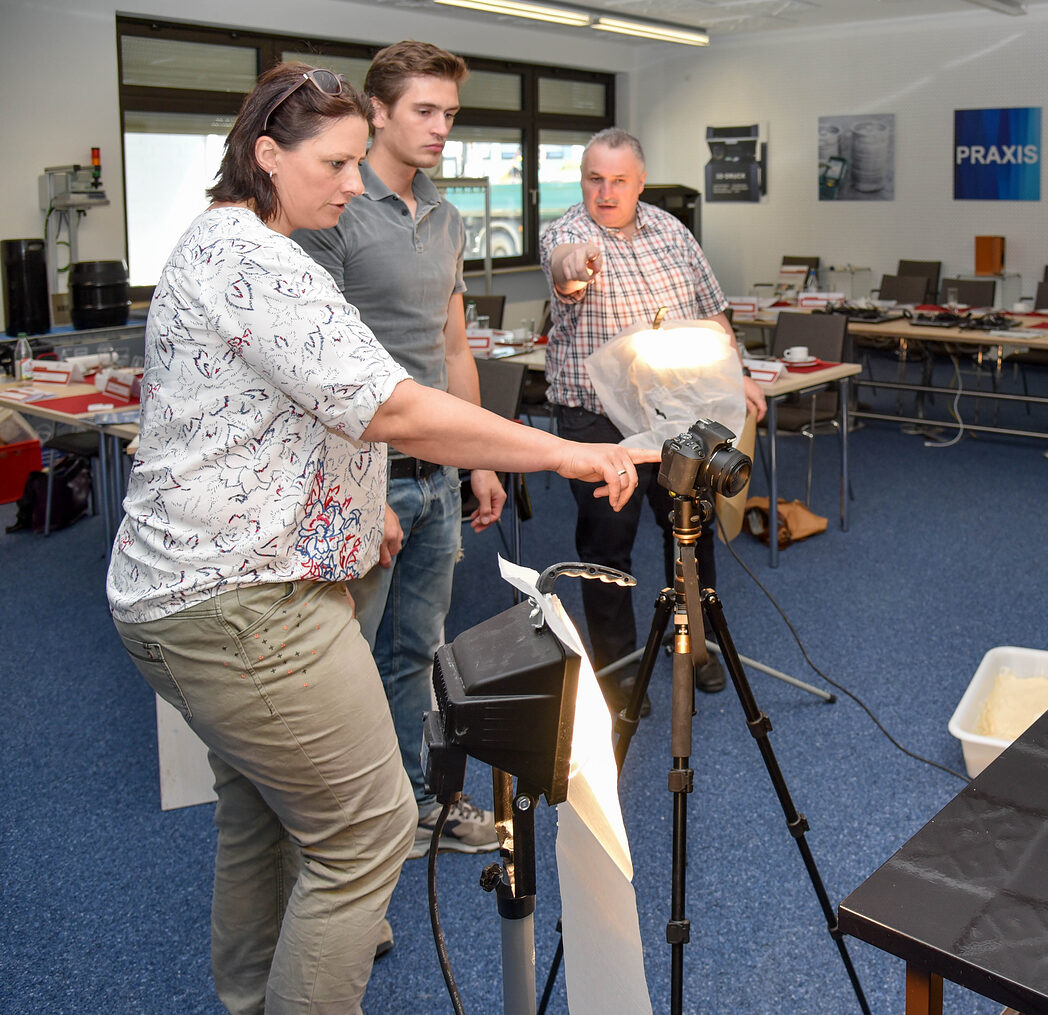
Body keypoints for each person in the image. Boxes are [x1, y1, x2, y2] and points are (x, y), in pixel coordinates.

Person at [106, 63, 651, 1015]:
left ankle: (251, 996)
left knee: (263, 812)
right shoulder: (262, 263)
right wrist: (560, 454)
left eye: (361, 163)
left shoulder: (220, 239)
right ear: (266, 155)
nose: (353, 185)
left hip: (183, 592)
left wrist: (362, 505)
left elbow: (283, 410)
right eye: (336, 163)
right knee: (367, 831)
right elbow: (399, 408)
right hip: (246, 605)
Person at [293, 41, 500, 859]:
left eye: (450, 112)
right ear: (377, 111)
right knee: (344, 666)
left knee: (419, 650)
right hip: (360, 477)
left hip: (436, 477)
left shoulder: (446, 217)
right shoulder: (335, 212)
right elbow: (312, 370)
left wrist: (479, 457)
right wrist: (358, 489)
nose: (441, 126)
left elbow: (452, 349)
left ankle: (417, 807)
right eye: (424, 109)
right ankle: (348, 829)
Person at [541, 127, 766, 707]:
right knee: (607, 543)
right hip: (595, 417)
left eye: (619, 181)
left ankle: (693, 644)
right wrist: (578, 265)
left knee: (690, 529)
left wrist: (735, 374)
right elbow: (564, 265)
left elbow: (711, 310)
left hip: (676, 413)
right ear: (582, 181)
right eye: (595, 179)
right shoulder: (569, 232)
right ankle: (617, 666)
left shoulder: (671, 230)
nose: (606, 192)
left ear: (640, 183)